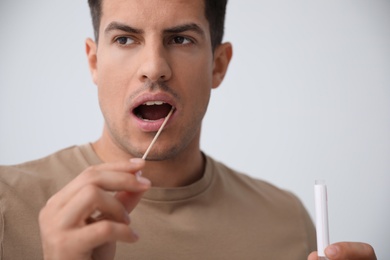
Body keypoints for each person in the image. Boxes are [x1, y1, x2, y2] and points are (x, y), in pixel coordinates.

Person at [0, 0, 377, 259]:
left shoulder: (288, 220)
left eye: (180, 39)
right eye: (125, 39)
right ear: (94, 62)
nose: (154, 67)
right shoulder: (6, 206)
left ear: (218, 65)